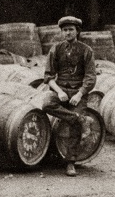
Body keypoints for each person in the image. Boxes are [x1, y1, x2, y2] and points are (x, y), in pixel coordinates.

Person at [41, 15, 96, 176]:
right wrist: (58, 91)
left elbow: (90, 77)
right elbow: (48, 77)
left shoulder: (86, 50)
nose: (67, 33)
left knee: (74, 128)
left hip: (78, 92)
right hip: (61, 90)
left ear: (77, 31)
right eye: (65, 30)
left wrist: (79, 94)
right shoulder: (56, 49)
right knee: (46, 104)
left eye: (70, 30)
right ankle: (80, 118)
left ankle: (70, 162)